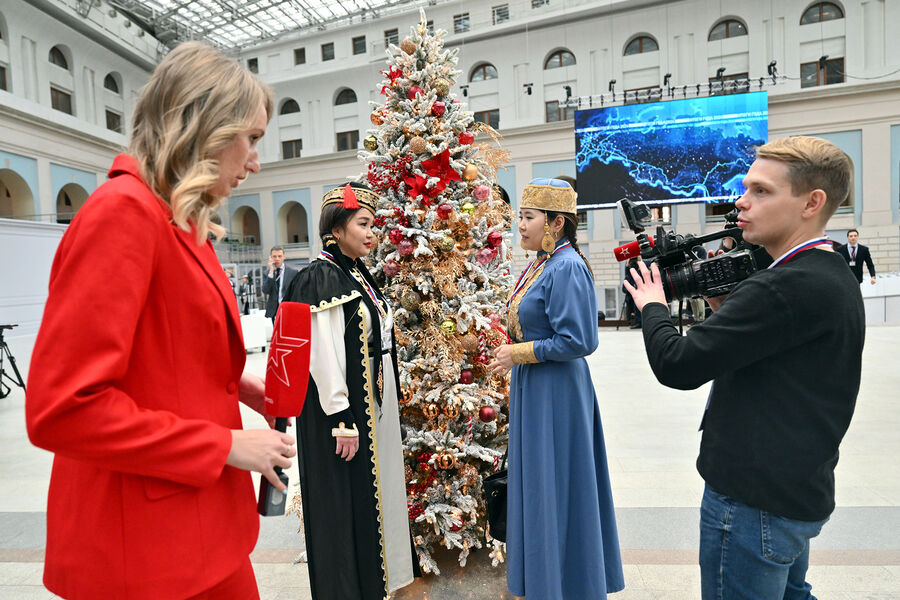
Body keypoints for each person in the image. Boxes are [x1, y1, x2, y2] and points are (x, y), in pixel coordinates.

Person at [25, 42, 296, 600]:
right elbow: (63, 408)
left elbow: (168, 359)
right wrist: (224, 445)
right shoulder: (122, 215)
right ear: (204, 126)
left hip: (192, 531)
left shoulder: (169, 219)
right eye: (251, 138)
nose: (255, 162)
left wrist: (248, 389)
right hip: (145, 553)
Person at [624, 136, 864, 600]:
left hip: (752, 507)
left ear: (812, 203)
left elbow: (678, 365)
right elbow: (777, 356)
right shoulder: (829, 270)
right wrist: (724, 309)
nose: (741, 201)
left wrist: (651, 303)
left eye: (761, 191)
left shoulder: (781, 286)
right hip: (794, 492)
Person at [488, 178, 624, 599]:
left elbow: (580, 340)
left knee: (558, 484)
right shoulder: (541, 263)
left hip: (558, 392)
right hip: (537, 386)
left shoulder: (566, 266)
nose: (520, 226)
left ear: (556, 222)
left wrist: (518, 353)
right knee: (543, 484)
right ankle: (549, 581)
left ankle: (569, 583)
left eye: (528, 218)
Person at [281, 182, 418, 600]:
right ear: (336, 229)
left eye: (373, 224)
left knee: (369, 501)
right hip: (342, 414)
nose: (372, 232)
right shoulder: (321, 277)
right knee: (343, 508)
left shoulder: (357, 272)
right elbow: (322, 356)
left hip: (371, 407)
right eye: (363, 223)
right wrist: (342, 417)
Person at [263, 245, 297, 321]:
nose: (277, 259)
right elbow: (266, 290)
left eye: (279, 256)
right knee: (276, 332)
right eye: (274, 256)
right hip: (274, 311)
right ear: (271, 258)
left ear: (284, 257)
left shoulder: (293, 272)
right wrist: (271, 271)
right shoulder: (267, 273)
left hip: (288, 308)